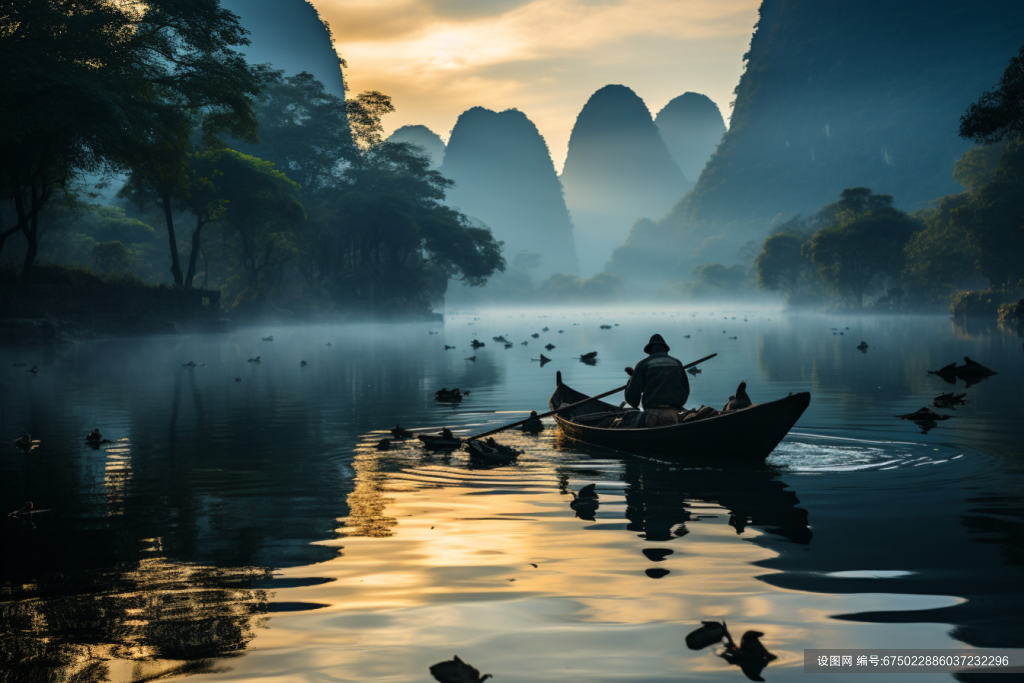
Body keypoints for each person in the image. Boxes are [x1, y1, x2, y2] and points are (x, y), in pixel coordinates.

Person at [625, 334, 689, 427]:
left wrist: (630, 383)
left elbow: (632, 399)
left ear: (650, 351)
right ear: (665, 350)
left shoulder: (643, 364)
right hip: (674, 415)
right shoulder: (677, 363)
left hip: (651, 415)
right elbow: (685, 391)